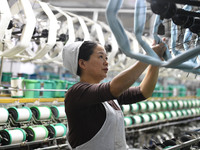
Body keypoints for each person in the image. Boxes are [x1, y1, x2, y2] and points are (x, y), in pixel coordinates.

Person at [62, 40, 166, 150]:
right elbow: (116, 87)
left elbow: (143, 92)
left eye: (106, 58)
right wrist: (148, 56)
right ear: (82, 63)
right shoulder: (77, 92)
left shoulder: (107, 97)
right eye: (100, 57)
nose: (106, 62)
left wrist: (155, 63)